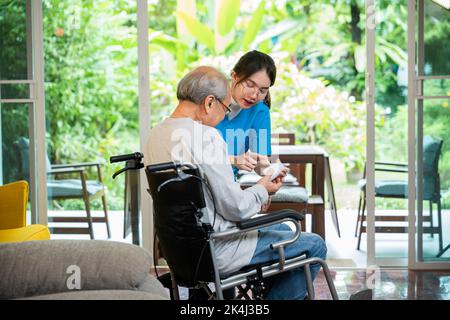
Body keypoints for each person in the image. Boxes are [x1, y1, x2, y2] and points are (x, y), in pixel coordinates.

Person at [144, 66, 327, 300]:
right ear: (210, 103)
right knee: (314, 244)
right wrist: (263, 187)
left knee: (281, 230)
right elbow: (236, 208)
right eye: (225, 107)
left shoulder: (155, 134)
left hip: (181, 253)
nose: (225, 114)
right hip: (219, 248)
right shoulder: (206, 136)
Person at [215, 50, 276, 177]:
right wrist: (232, 159)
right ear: (234, 76)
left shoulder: (260, 111)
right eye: (249, 85)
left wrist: (272, 173)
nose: (254, 95)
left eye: (262, 90)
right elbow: (191, 155)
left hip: (228, 185)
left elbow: (260, 162)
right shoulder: (210, 100)